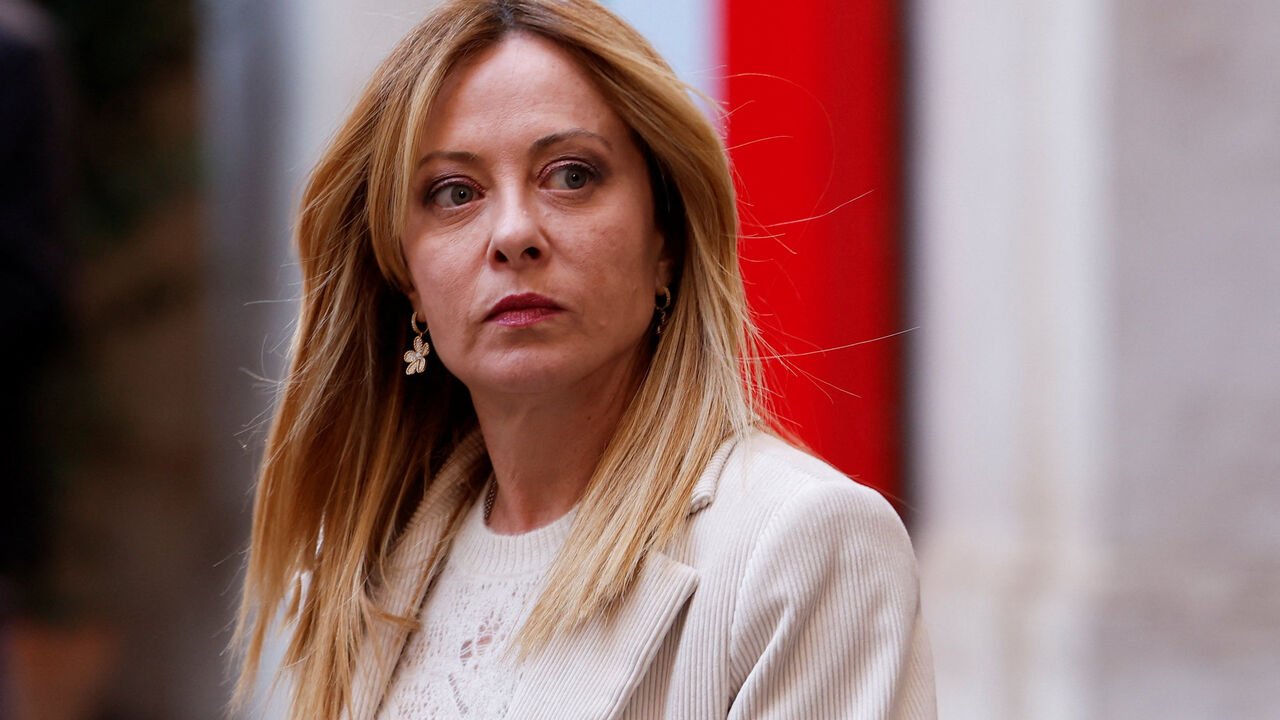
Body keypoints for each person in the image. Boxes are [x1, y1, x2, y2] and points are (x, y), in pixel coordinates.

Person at [234, 1, 935, 718]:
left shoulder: (801, 544)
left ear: (666, 238)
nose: (513, 233)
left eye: (570, 175)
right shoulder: (369, 573)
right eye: (454, 193)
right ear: (404, 273)